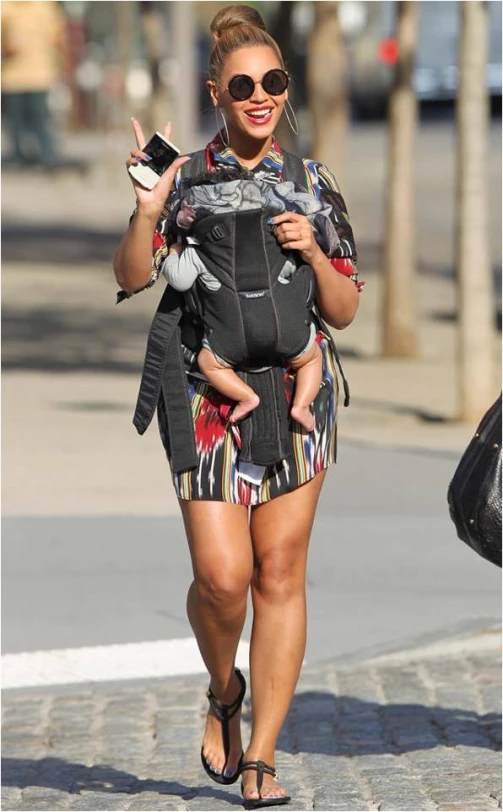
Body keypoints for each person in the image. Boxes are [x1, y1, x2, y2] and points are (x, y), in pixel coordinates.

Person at [113, 5, 360, 808]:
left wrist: (314, 250)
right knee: (222, 580)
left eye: (273, 83)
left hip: (296, 394)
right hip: (204, 397)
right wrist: (149, 209)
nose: (260, 97)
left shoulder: (312, 183)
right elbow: (128, 275)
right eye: (243, 85)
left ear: (284, 91)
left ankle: (260, 755)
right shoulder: (182, 179)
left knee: (279, 574)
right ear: (216, 91)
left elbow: (346, 307)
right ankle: (224, 688)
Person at [163, 167, 341, 430]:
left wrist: (175, 251)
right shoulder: (274, 240)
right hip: (286, 330)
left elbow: (178, 279)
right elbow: (292, 271)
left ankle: (246, 397)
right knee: (311, 358)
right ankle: (302, 406)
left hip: (228, 339)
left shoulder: (201, 248)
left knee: (208, 363)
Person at [1, 0, 66, 168]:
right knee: (14, 120)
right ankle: (16, 156)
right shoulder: (5, 6)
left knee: (41, 119)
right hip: (11, 76)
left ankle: (47, 155)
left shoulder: (45, 7)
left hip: (39, 74)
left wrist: (61, 64)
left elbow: (57, 37)